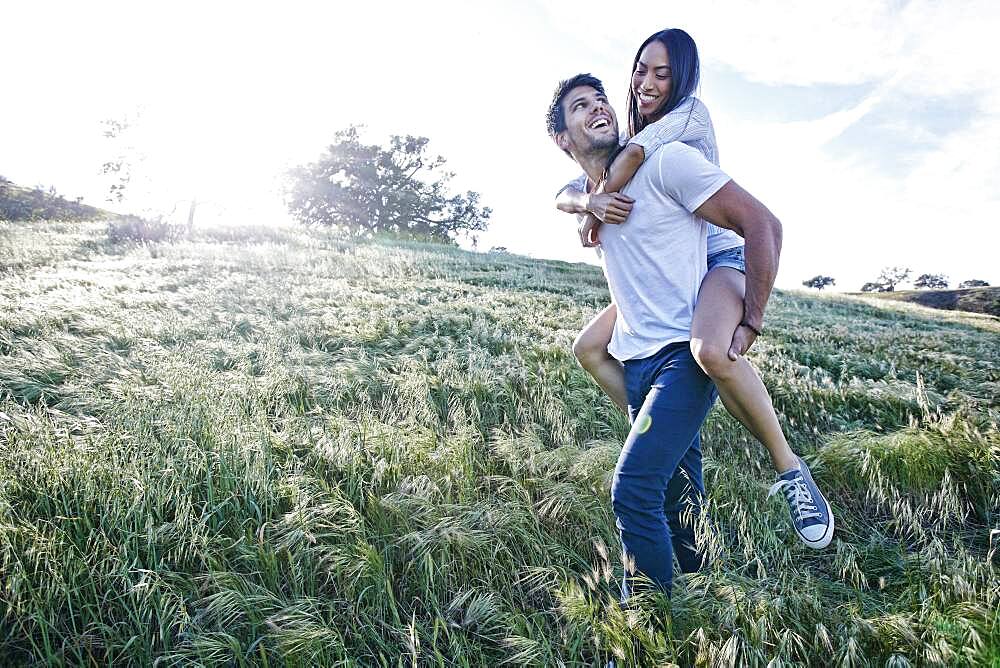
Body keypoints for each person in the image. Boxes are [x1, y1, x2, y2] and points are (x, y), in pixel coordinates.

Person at [545, 72, 833, 601]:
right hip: (638, 358)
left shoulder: (665, 162)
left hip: (684, 352)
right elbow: (560, 196)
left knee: (634, 489)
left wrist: (749, 319)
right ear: (563, 139)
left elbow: (762, 223)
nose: (597, 107)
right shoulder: (591, 196)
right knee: (679, 491)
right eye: (580, 107)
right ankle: (701, 592)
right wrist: (587, 204)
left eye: (600, 98)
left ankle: (646, 633)